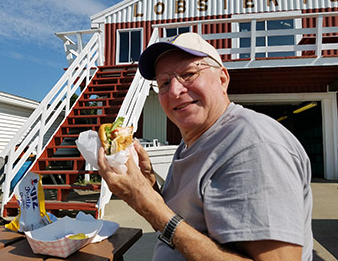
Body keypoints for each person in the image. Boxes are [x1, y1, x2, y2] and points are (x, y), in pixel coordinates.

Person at [98, 32, 313, 260]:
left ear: (222, 79)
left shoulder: (254, 145)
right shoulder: (193, 141)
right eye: (164, 82)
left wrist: (148, 204)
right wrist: (149, 185)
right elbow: (187, 223)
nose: (174, 91)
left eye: (188, 74)